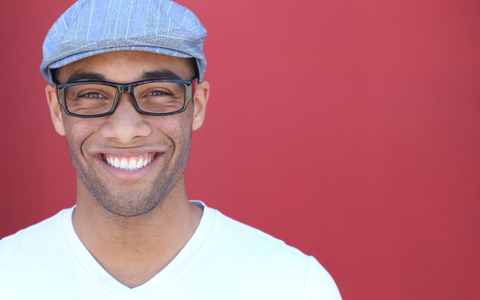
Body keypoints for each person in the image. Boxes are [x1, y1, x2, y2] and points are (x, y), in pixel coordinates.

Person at [0, 0, 342, 299]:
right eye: (91, 93)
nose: (125, 131)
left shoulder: (293, 287)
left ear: (198, 105)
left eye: (158, 92)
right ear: (57, 111)